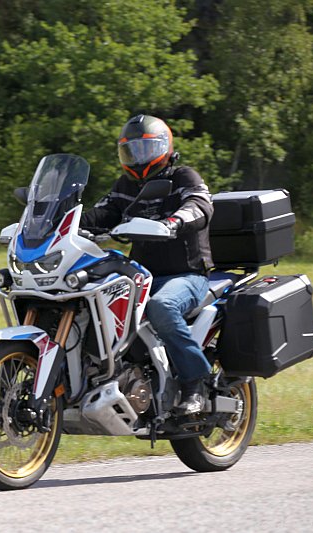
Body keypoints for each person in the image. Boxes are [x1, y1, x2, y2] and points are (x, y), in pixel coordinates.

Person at [80, 114, 214, 414]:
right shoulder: (125, 186)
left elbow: (201, 205)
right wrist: (64, 223)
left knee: (162, 306)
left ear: (164, 147)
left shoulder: (183, 177)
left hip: (187, 275)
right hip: (141, 276)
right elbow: (103, 213)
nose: (139, 157)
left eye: (146, 149)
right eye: (132, 151)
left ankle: (196, 383)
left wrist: (175, 221)